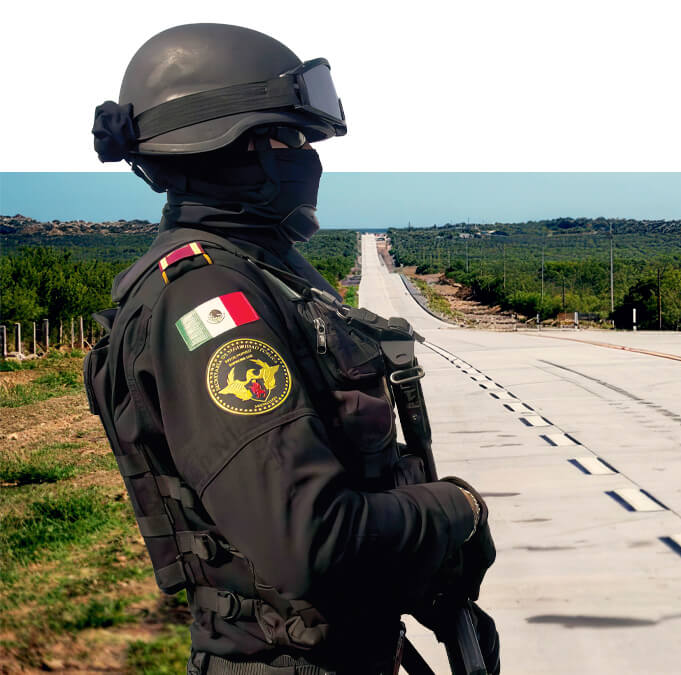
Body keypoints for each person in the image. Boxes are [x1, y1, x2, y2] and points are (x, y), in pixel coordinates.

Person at [85, 23, 498, 675]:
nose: (307, 157)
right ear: (234, 144)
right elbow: (308, 536)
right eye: (292, 137)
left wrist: (421, 578)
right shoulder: (208, 301)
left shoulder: (268, 270)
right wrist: (458, 511)